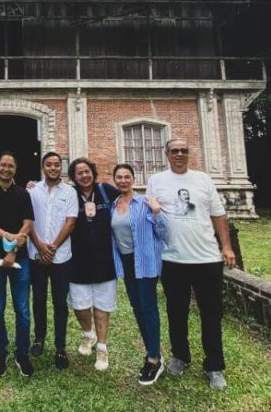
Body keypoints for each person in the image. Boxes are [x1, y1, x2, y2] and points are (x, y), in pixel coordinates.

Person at [146, 138, 237, 390]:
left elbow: (218, 214)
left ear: (189, 154)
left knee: (211, 313)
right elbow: (150, 216)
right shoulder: (156, 181)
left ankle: (215, 366)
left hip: (207, 258)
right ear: (166, 154)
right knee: (176, 311)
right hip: (172, 259)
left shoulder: (203, 180)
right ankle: (180, 356)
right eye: (174, 151)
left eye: (184, 151)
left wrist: (226, 246)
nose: (179, 154)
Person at [110, 164, 167, 385]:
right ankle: (151, 352)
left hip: (144, 262)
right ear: (114, 180)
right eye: (119, 177)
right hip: (126, 263)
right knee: (137, 308)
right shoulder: (114, 205)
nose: (123, 180)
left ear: (133, 179)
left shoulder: (144, 203)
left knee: (148, 308)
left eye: (127, 177)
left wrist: (157, 212)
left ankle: (154, 358)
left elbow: (163, 232)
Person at [0, 152, 35, 377]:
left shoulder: (23, 194)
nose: (6, 169)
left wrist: (12, 249)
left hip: (19, 260)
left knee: (22, 310)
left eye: (10, 166)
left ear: (15, 169)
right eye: (2, 165)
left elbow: (28, 223)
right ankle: (0, 353)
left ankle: (22, 353)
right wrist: (10, 237)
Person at [67, 157, 120, 371]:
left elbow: (127, 200)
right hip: (77, 260)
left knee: (102, 306)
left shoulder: (106, 190)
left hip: (105, 260)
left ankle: (102, 348)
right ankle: (88, 334)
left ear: (93, 172)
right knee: (79, 305)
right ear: (73, 176)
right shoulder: (69, 195)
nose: (84, 175)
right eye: (79, 173)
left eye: (87, 171)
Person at [27, 151, 78, 369]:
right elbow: (27, 221)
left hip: (61, 256)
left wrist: (53, 248)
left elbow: (70, 223)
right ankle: (39, 338)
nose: (53, 168)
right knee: (38, 299)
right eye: (49, 165)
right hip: (36, 255)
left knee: (60, 303)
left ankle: (60, 347)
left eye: (57, 165)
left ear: (61, 168)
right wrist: (40, 247)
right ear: (42, 167)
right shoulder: (32, 191)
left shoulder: (70, 192)